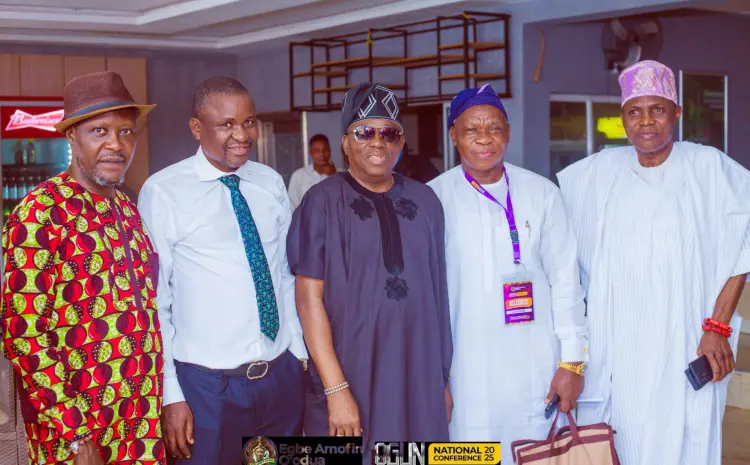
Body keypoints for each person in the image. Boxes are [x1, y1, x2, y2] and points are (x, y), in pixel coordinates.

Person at [558, 60, 750, 465]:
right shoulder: (596, 174)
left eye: (658, 109)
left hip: (686, 341)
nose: (646, 121)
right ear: (623, 118)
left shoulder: (707, 167)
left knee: (686, 440)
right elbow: (555, 245)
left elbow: (743, 242)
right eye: (635, 111)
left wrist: (717, 326)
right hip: (617, 349)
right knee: (620, 442)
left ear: (676, 113)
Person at [137, 76, 307, 464]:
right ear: (197, 128)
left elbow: (283, 274)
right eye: (226, 124)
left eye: (248, 122)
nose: (242, 135)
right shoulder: (163, 191)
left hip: (279, 376)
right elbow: (156, 301)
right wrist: (170, 393)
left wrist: (297, 353)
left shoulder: (269, 182)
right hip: (206, 387)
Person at [1, 71, 164, 464]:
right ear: (72, 136)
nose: (116, 144)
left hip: (139, 422)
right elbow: (22, 333)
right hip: (76, 435)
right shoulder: (41, 212)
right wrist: (75, 434)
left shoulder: (127, 208)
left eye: (126, 132)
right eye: (99, 131)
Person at [287, 83, 452, 461]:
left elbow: (437, 293)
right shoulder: (321, 202)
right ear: (346, 143)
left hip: (417, 378)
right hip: (352, 377)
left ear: (401, 142)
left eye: (389, 133)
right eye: (364, 132)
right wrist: (335, 390)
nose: (378, 142)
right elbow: (308, 302)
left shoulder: (426, 200)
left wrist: (440, 381)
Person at [427, 85, 588, 450]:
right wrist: (433, 380)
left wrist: (572, 362)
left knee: (532, 451)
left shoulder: (542, 194)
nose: (484, 139)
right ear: (453, 134)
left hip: (534, 369)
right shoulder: (432, 198)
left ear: (508, 132)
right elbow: (422, 298)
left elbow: (566, 282)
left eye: (494, 128)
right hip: (464, 375)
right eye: (471, 130)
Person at [287, 134, 336, 209]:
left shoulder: (341, 176)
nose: (322, 154)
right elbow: (292, 206)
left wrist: (334, 175)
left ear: (330, 151)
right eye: (317, 150)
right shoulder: (299, 175)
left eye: (325, 150)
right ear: (310, 153)